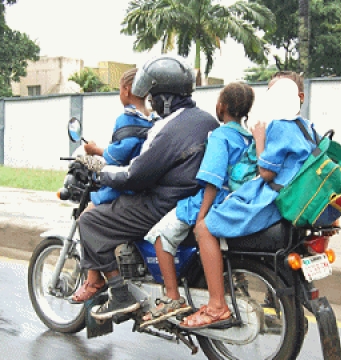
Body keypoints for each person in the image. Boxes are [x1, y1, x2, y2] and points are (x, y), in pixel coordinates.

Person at [69, 55, 219, 320]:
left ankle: (119, 293)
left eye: (154, 95)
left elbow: (134, 175)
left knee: (90, 221)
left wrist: (100, 172)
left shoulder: (168, 127)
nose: (151, 101)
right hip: (189, 197)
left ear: (166, 97)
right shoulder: (204, 119)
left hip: (159, 204)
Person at [180, 71, 316, 329]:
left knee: (204, 228)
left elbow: (266, 172)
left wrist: (260, 139)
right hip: (289, 197)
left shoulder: (278, 126)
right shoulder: (307, 127)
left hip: (268, 199)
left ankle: (217, 306)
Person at [140, 82, 256, 328]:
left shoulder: (220, 136)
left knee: (161, 236)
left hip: (214, 200)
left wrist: (201, 216)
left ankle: (172, 297)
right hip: (237, 201)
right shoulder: (249, 138)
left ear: (221, 106)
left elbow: (212, 181)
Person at [75, 68, 157, 211]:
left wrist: (93, 150)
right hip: (145, 187)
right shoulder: (154, 120)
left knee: (85, 216)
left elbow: (117, 156)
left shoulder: (126, 119)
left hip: (122, 187)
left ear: (126, 90)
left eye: (119, 89)